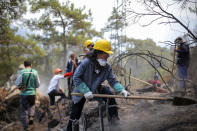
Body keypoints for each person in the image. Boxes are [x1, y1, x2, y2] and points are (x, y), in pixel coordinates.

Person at [66, 39, 130, 131]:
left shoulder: (107, 67)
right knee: (75, 113)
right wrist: (85, 91)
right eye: (106, 53)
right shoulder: (86, 63)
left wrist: (121, 90)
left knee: (110, 97)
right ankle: (70, 129)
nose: (108, 55)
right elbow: (76, 77)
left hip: (96, 88)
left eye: (108, 53)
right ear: (98, 53)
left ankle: (115, 124)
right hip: (81, 89)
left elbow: (112, 81)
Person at [15, 60, 40, 131]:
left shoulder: (22, 72)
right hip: (32, 93)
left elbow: (17, 83)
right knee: (32, 106)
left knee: (23, 109)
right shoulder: (35, 72)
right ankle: (31, 117)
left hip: (23, 94)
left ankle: (25, 126)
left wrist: (21, 87)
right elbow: (38, 84)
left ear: (24, 65)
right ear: (31, 65)